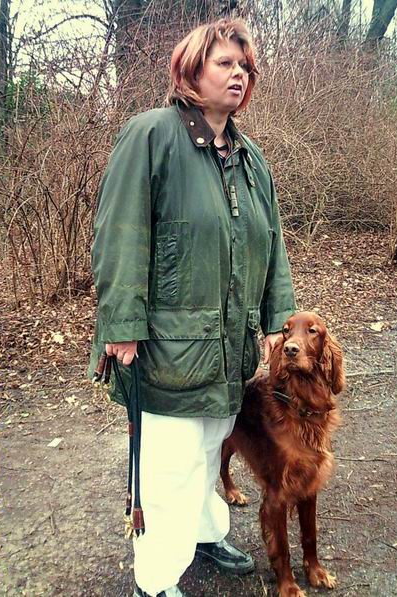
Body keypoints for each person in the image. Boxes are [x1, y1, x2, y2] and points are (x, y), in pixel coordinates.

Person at [88, 18, 296, 597]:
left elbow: (271, 241)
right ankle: (155, 580)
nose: (239, 74)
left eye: (245, 66)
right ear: (190, 70)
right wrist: (121, 324)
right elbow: (120, 233)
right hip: (166, 349)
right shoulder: (151, 134)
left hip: (227, 345)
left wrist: (277, 320)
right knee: (169, 468)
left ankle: (204, 533)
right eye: (225, 63)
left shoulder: (249, 158)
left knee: (209, 451)